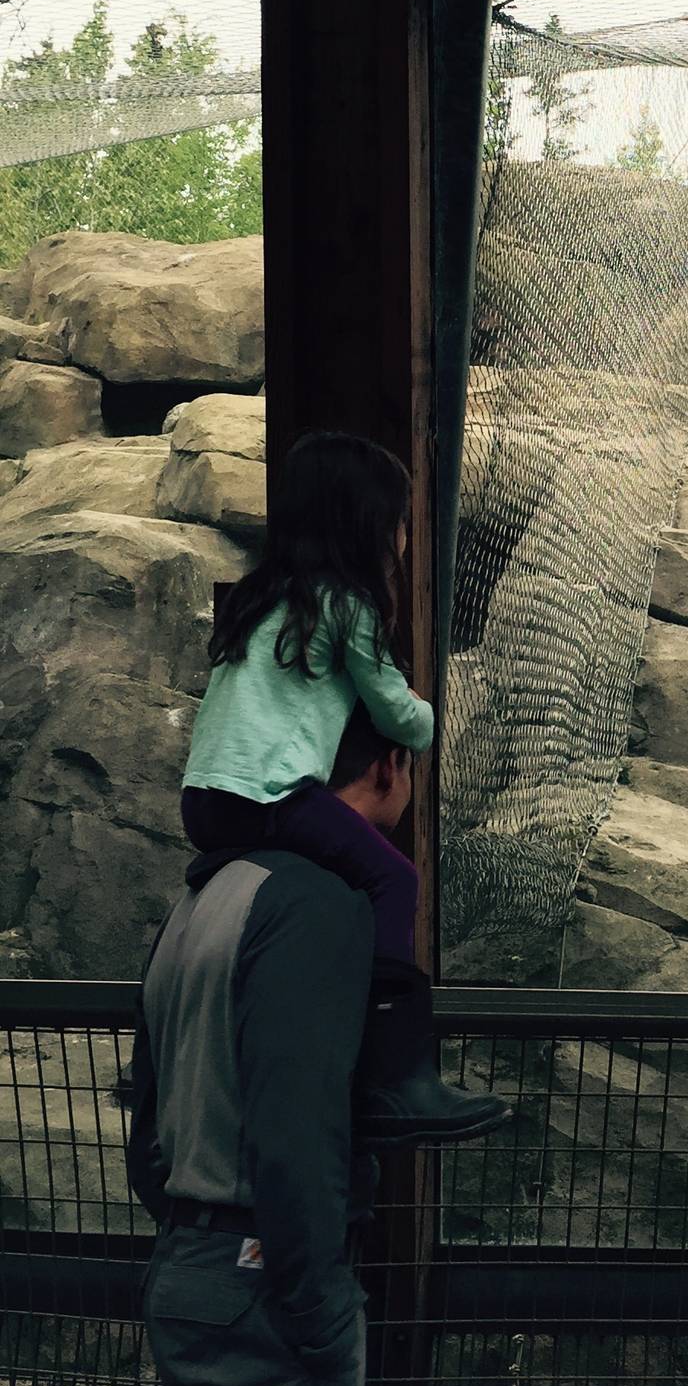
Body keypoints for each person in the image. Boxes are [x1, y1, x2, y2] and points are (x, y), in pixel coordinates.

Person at [127, 707, 509, 1386]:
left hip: (192, 1264)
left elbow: (145, 1113)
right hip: (264, 1281)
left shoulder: (202, 896)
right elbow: (295, 1121)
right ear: (388, 767)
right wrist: (315, 1302)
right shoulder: (318, 904)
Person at [179, 428, 505, 1139]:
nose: (403, 538)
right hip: (268, 797)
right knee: (394, 882)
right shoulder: (347, 608)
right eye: (398, 522)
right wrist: (425, 709)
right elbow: (403, 717)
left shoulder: (259, 602)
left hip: (205, 800)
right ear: (370, 526)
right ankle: (390, 1074)